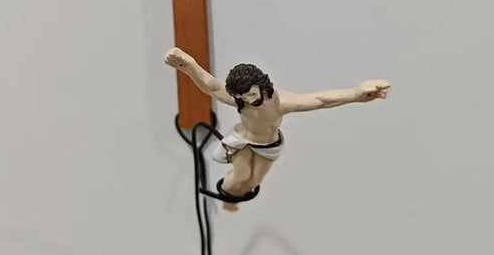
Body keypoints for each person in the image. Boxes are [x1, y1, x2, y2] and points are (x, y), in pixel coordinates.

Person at [165, 47, 390, 211]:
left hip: (269, 144)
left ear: (262, 86)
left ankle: (235, 196)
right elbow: (211, 86)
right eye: (243, 96)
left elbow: (321, 100)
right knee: (241, 176)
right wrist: (188, 65)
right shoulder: (239, 99)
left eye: (252, 94)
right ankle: (227, 195)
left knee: (252, 182)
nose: (248, 100)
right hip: (242, 141)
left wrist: (356, 94)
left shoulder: (280, 103)